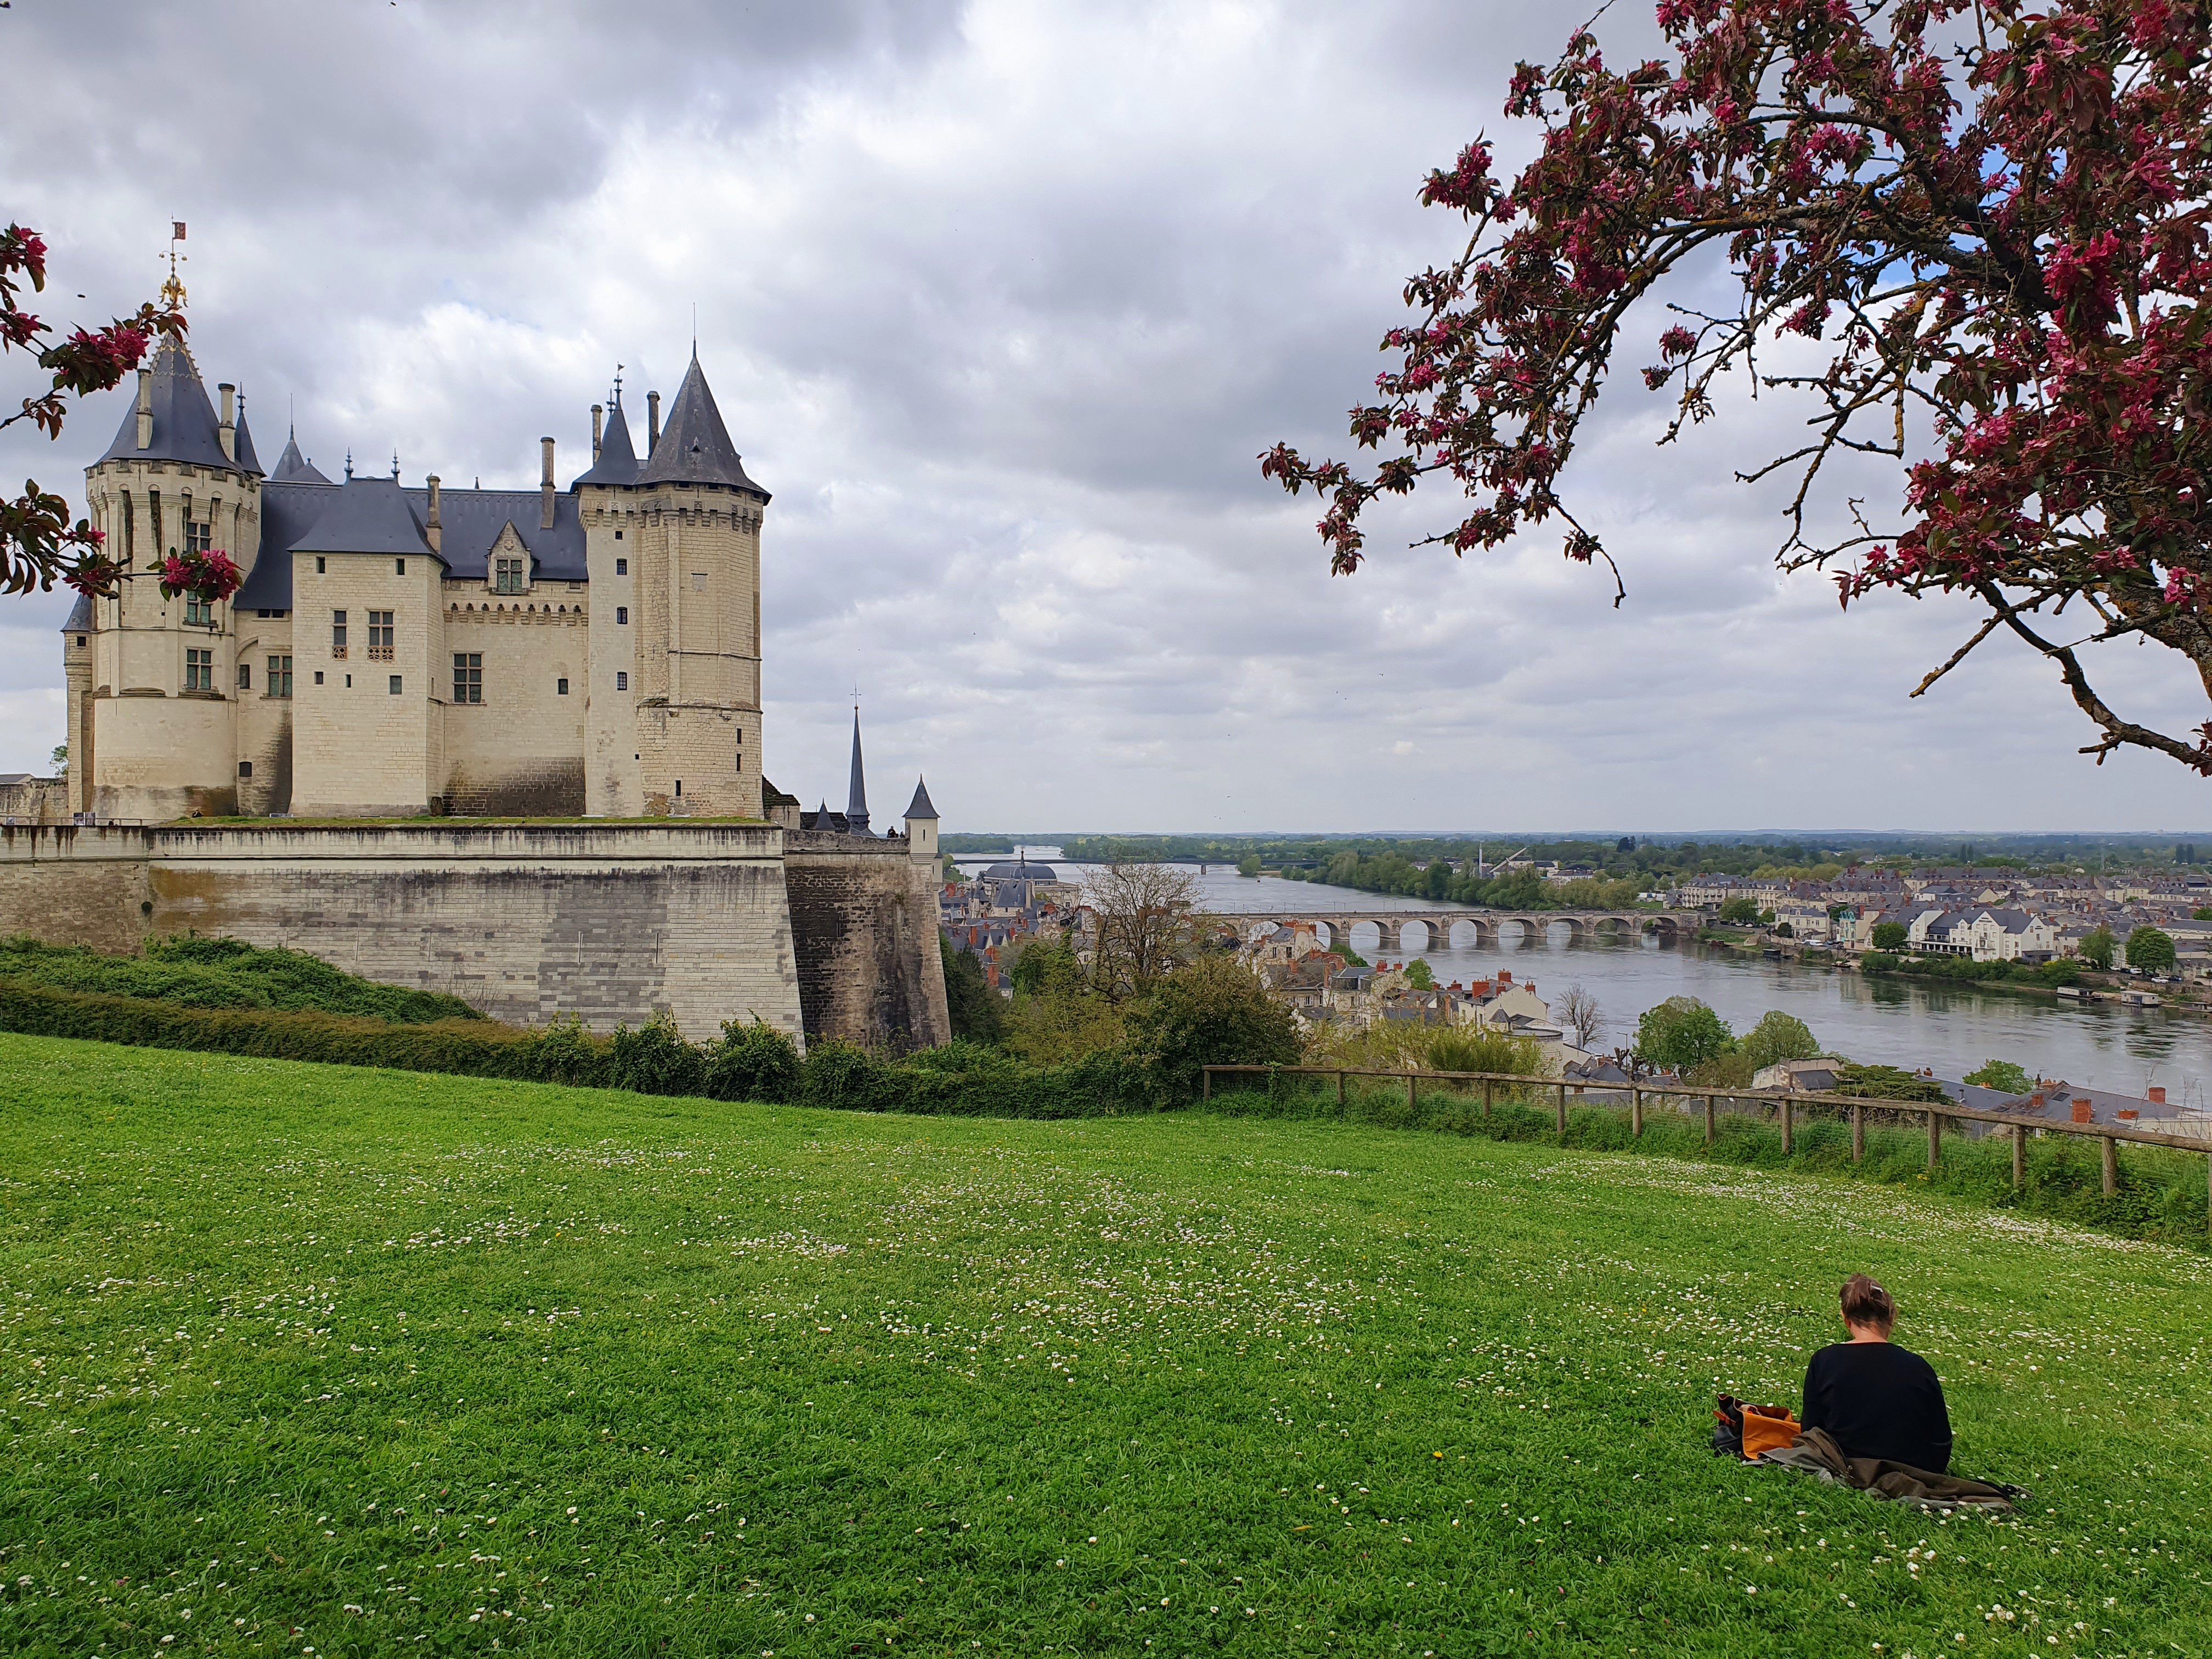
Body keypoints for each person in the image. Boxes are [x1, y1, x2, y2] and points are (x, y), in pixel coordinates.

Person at [1799, 1274, 1953, 1472]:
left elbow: (1811, 1429)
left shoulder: (1825, 1360)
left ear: (1846, 1319)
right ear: (1891, 1317)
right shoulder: (1919, 1367)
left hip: (1844, 1463)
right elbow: (1940, 1441)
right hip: (1911, 1468)